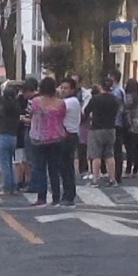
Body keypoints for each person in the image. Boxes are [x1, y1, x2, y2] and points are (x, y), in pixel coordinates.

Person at [28, 77, 67, 207]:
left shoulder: (36, 102)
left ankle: (41, 198)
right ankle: (56, 198)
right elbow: (63, 116)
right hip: (57, 138)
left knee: (40, 169)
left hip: (39, 138)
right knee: (54, 169)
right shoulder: (61, 103)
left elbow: (31, 115)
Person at [84, 77, 119, 187]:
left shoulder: (95, 99)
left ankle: (95, 180)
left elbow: (86, 111)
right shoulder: (115, 99)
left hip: (96, 128)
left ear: (101, 86)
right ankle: (113, 179)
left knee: (96, 155)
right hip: (111, 128)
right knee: (109, 154)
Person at [0, 86, 21, 195]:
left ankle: (7, 188)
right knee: (10, 162)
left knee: (4, 164)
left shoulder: (2, 108)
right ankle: (13, 186)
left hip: (2, 135)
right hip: (13, 136)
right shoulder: (16, 107)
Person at [60, 77, 81, 206]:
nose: (62, 90)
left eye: (66, 88)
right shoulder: (67, 101)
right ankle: (68, 194)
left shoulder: (71, 102)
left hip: (68, 136)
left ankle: (69, 195)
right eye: (61, 88)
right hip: (67, 136)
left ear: (72, 89)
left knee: (66, 167)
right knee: (65, 167)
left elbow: (56, 111)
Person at [18, 77, 39, 192]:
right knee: (33, 160)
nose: (23, 95)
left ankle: (33, 184)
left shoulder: (33, 101)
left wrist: (22, 118)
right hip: (36, 131)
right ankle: (34, 183)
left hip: (30, 130)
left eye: (24, 92)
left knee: (31, 160)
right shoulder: (40, 99)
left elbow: (32, 119)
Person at [123, 78, 138, 179]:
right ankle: (135, 170)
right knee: (136, 147)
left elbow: (126, 110)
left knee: (129, 148)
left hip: (131, 124)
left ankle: (128, 169)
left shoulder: (128, 97)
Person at [109, 69, 126, 183]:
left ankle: (117, 174)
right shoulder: (118, 90)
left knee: (116, 150)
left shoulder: (116, 92)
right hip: (117, 122)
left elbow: (117, 107)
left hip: (116, 123)